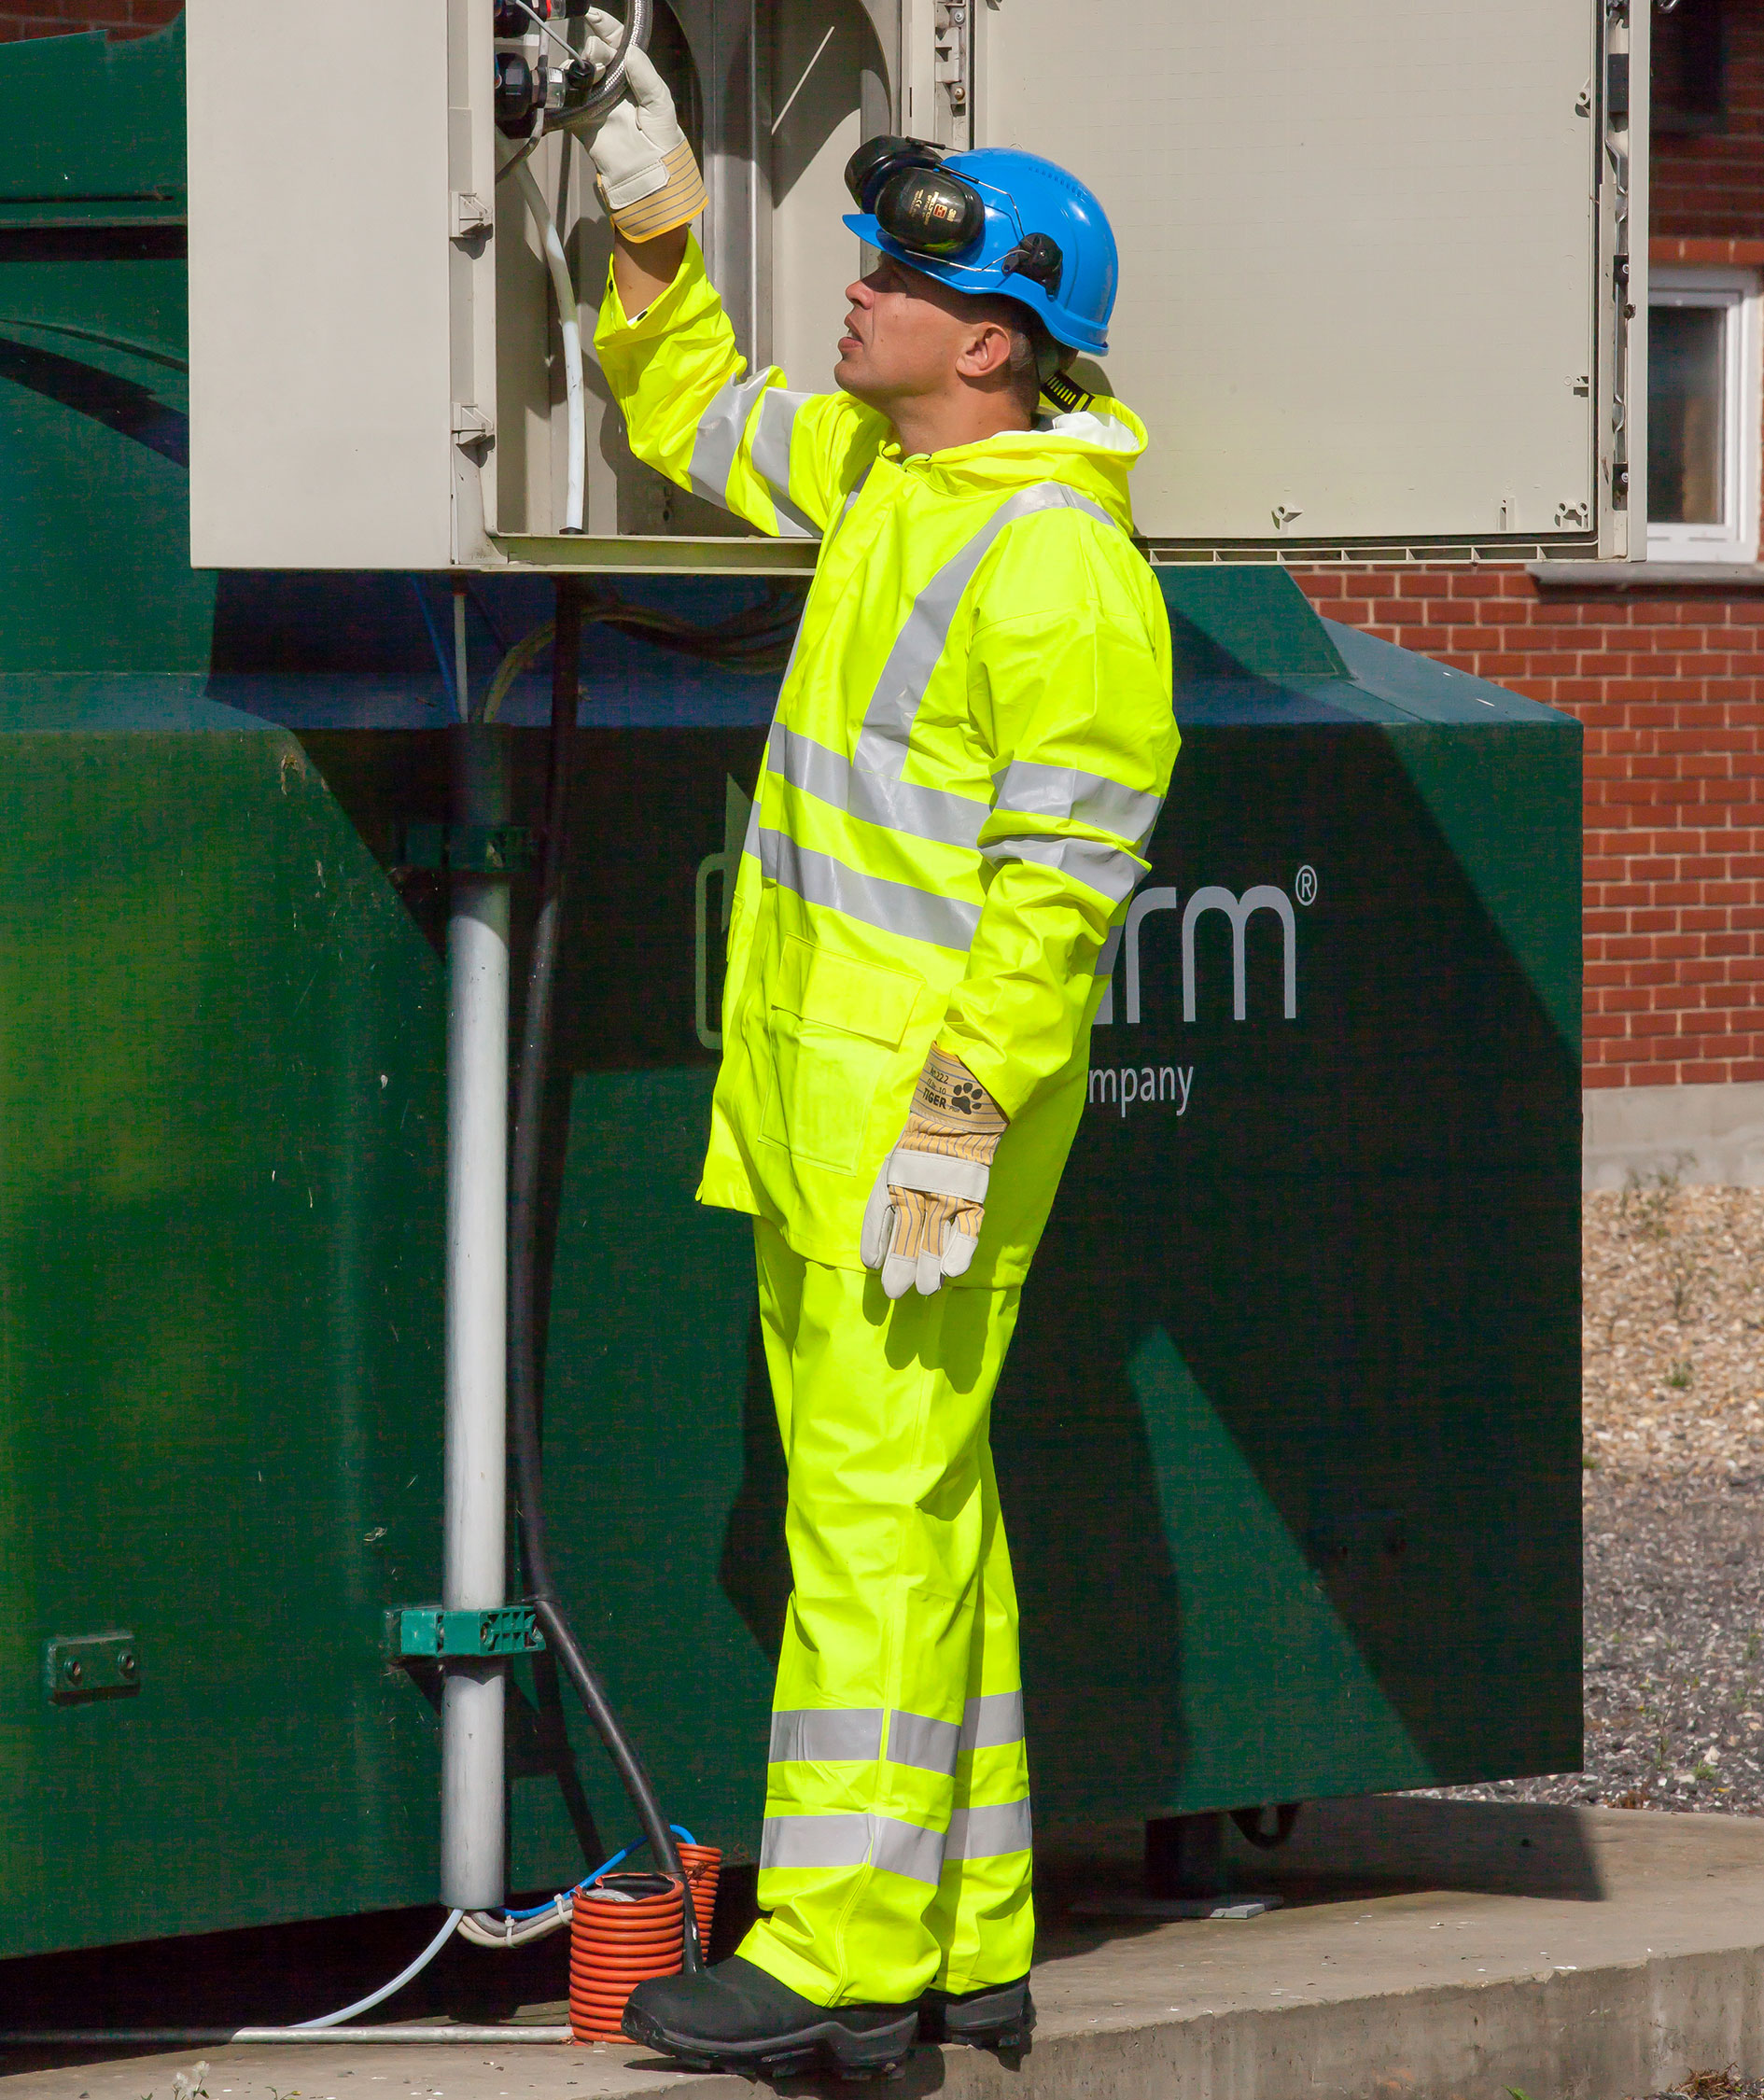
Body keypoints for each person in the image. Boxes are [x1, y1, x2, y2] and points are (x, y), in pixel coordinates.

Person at [569, 14, 1178, 2079]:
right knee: (925, 1513)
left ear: (996, 340)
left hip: (917, 1134)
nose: (862, 292)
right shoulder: (884, 481)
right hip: (835, 1116)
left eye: (903, 279)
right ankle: (974, 1930)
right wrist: (649, 203)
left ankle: (836, 1958)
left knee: (865, 1530)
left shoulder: (1060, 570)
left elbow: (1055, 905)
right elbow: (687, 406)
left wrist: (944, 1124)